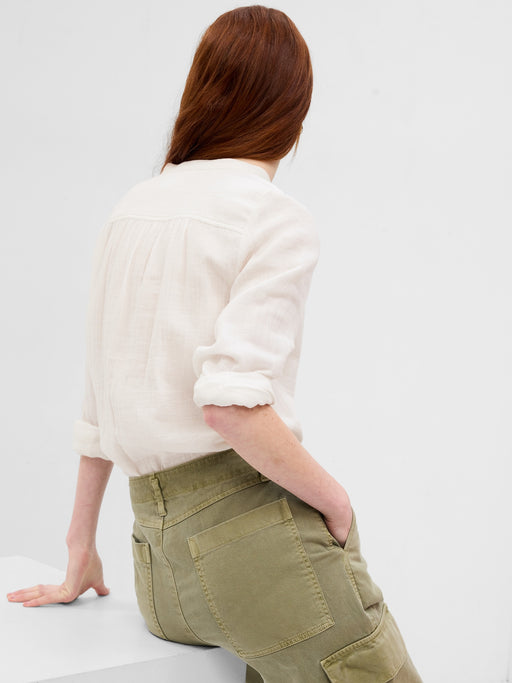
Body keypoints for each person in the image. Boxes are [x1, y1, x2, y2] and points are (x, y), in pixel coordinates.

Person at [6, 6, 423, 682]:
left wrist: (79, 546)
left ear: (200, 92)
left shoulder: (131, 208)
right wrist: (336, 500)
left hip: (157, 576)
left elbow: (98, 403)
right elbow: (230, 406)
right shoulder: (271, 216)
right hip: (253, 556)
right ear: (293, 113)